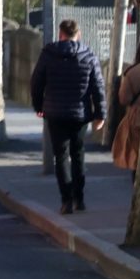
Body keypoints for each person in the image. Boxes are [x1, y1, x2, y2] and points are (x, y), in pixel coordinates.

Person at [31, 17, 106, 215]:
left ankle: (66, 200)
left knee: (61, 156)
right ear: (78, 34)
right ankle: (79, 198)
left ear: (60, 34)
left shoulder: (48, 54)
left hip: (55, 113)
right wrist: (100, 114)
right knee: (78, 154)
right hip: (79, 114)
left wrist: (38, 106)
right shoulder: (89, 56)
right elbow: (98, 88)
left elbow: (36, 82)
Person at [111, 38, 140, 172]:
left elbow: (124, 98)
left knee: (138, 157)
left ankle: (138, 185)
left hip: (138, 118)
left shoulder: (132, 72)